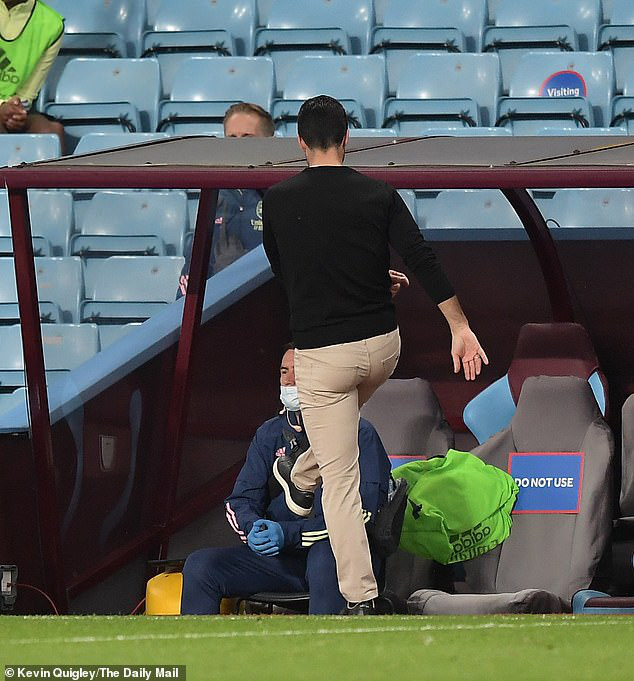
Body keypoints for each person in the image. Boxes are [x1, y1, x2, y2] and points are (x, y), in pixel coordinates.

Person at [262, 95, 489, 615]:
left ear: (300, 143)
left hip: (323, 359)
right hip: (382, 350)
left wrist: (353, 283)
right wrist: (460, 326)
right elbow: (422, 258)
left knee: (340, 482)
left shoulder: (275, 200)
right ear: (347, 139)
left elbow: (289, 273)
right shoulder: (379, 194)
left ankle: (361, 598)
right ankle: (303, 469)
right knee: (335, 439)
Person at [180, 346, 391, 615]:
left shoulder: (360, 433)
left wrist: (289, 535)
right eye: (284, 372)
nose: (289, 381)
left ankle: (325, 654)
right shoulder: (269, 434)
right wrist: (254, 528)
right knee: (200, 565)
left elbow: (362, 515)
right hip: (283, 561)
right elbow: (241, 500)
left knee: (324, 557)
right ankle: (200, 655)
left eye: (299, 372)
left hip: (338, 557)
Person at [177, 102, 275, 298]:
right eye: (232, 138)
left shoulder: (284, 197)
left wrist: (241, 270)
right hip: (218, 313)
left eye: (247, 138)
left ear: (269, 142)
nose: (238, 145)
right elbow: (190, 283)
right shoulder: (213, 198)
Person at [0, 0, 64, 147]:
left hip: (10, 106)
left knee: (50, 131)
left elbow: (28, 93)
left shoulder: (52, 24)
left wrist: (16, 112)